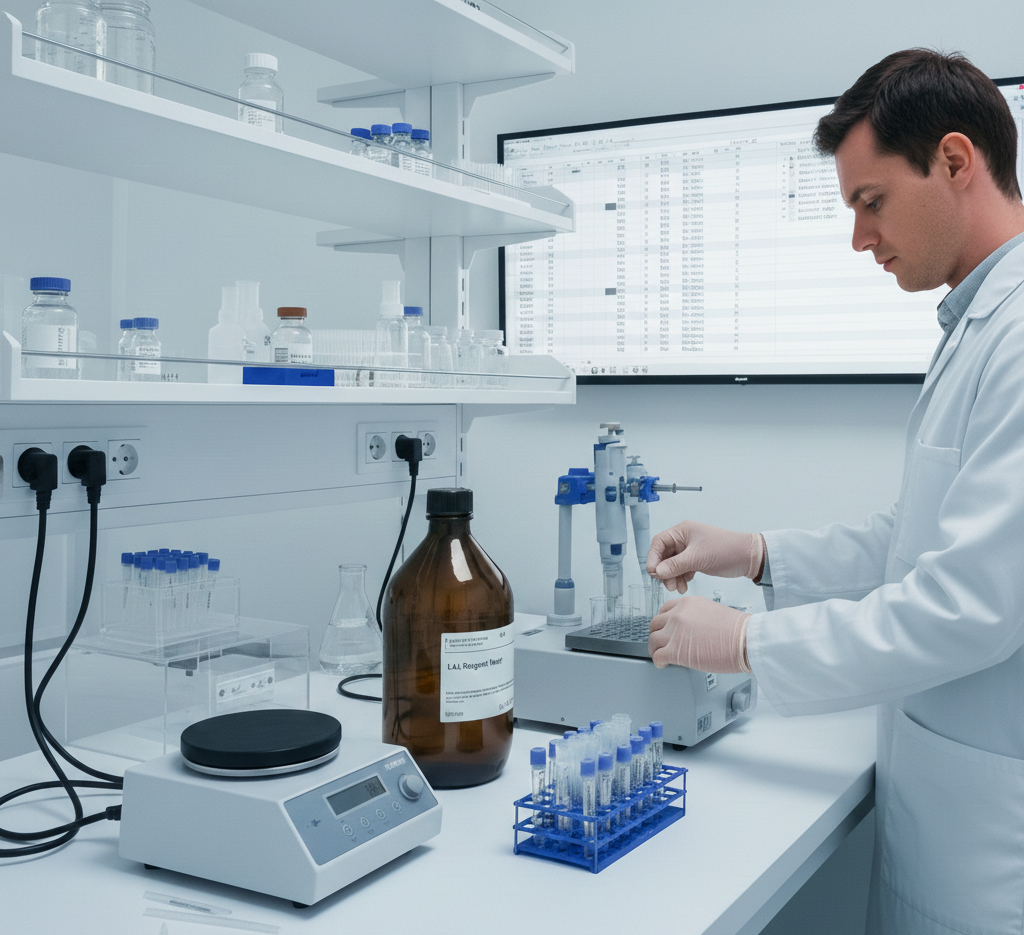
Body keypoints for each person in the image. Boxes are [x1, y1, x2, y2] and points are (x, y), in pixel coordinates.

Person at [646, 49, 1024, 935]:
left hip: (993, 844)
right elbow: (923, 534)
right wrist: (756, 552)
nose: (860, 239)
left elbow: (967, 605)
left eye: (871, 201)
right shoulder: (982, 323)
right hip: (949, 799)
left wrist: (744, 640)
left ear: (956, 162)